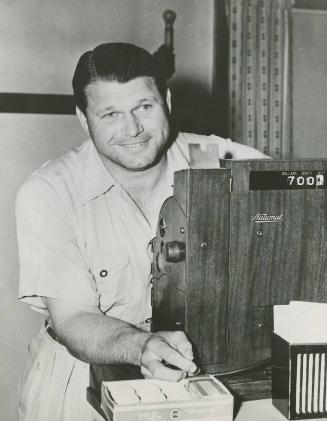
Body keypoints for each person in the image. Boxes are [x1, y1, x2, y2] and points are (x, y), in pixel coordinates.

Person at [16, 43, 268, 420]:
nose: (132, 129)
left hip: (207, 378)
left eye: (144, 108)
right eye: (110, 114)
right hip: (79, 381)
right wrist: (142, 346)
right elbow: (73, 318)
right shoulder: (49, 192)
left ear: (165, 100)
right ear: (84, 119)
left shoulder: (229, 162)